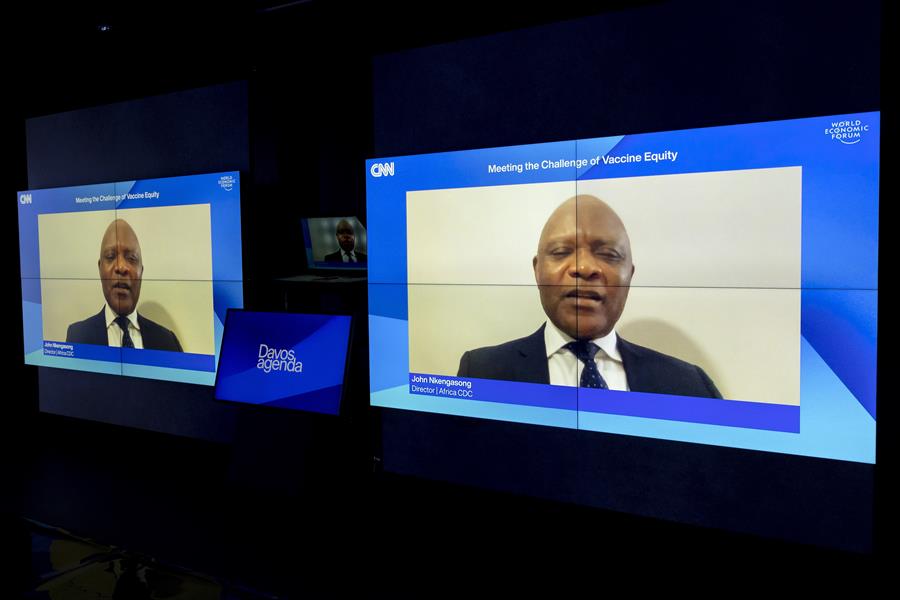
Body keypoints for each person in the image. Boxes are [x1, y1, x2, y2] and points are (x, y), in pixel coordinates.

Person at [457, 195, 721, 398]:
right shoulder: (481, 373)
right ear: (537, 270)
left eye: (608, 255)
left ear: (629, 275)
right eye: (561, 252)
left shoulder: (690, 386)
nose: (583, 268)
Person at [66, 219, 183, 352]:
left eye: (131, 258)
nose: (121, 267)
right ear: (100, 269)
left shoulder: (168, 342)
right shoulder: (77, 337)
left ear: (141, 272)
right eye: (110, 256)